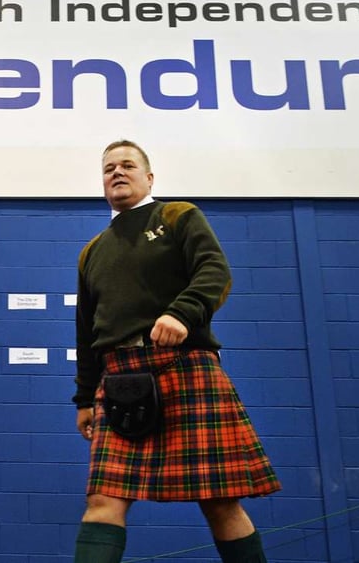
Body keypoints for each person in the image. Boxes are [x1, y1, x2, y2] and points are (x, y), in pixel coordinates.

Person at [72, 140, 281, 563]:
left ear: (149, 177)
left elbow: (214, 271)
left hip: (183, 367)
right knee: (103, 499)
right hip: (118, 380)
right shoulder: (92, 250)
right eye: (109, 168)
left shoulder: (177, 216)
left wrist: (182, 315)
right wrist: (83, 397)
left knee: (220, 501)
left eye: (128, 165)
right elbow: (86, 331)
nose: (117, 172)